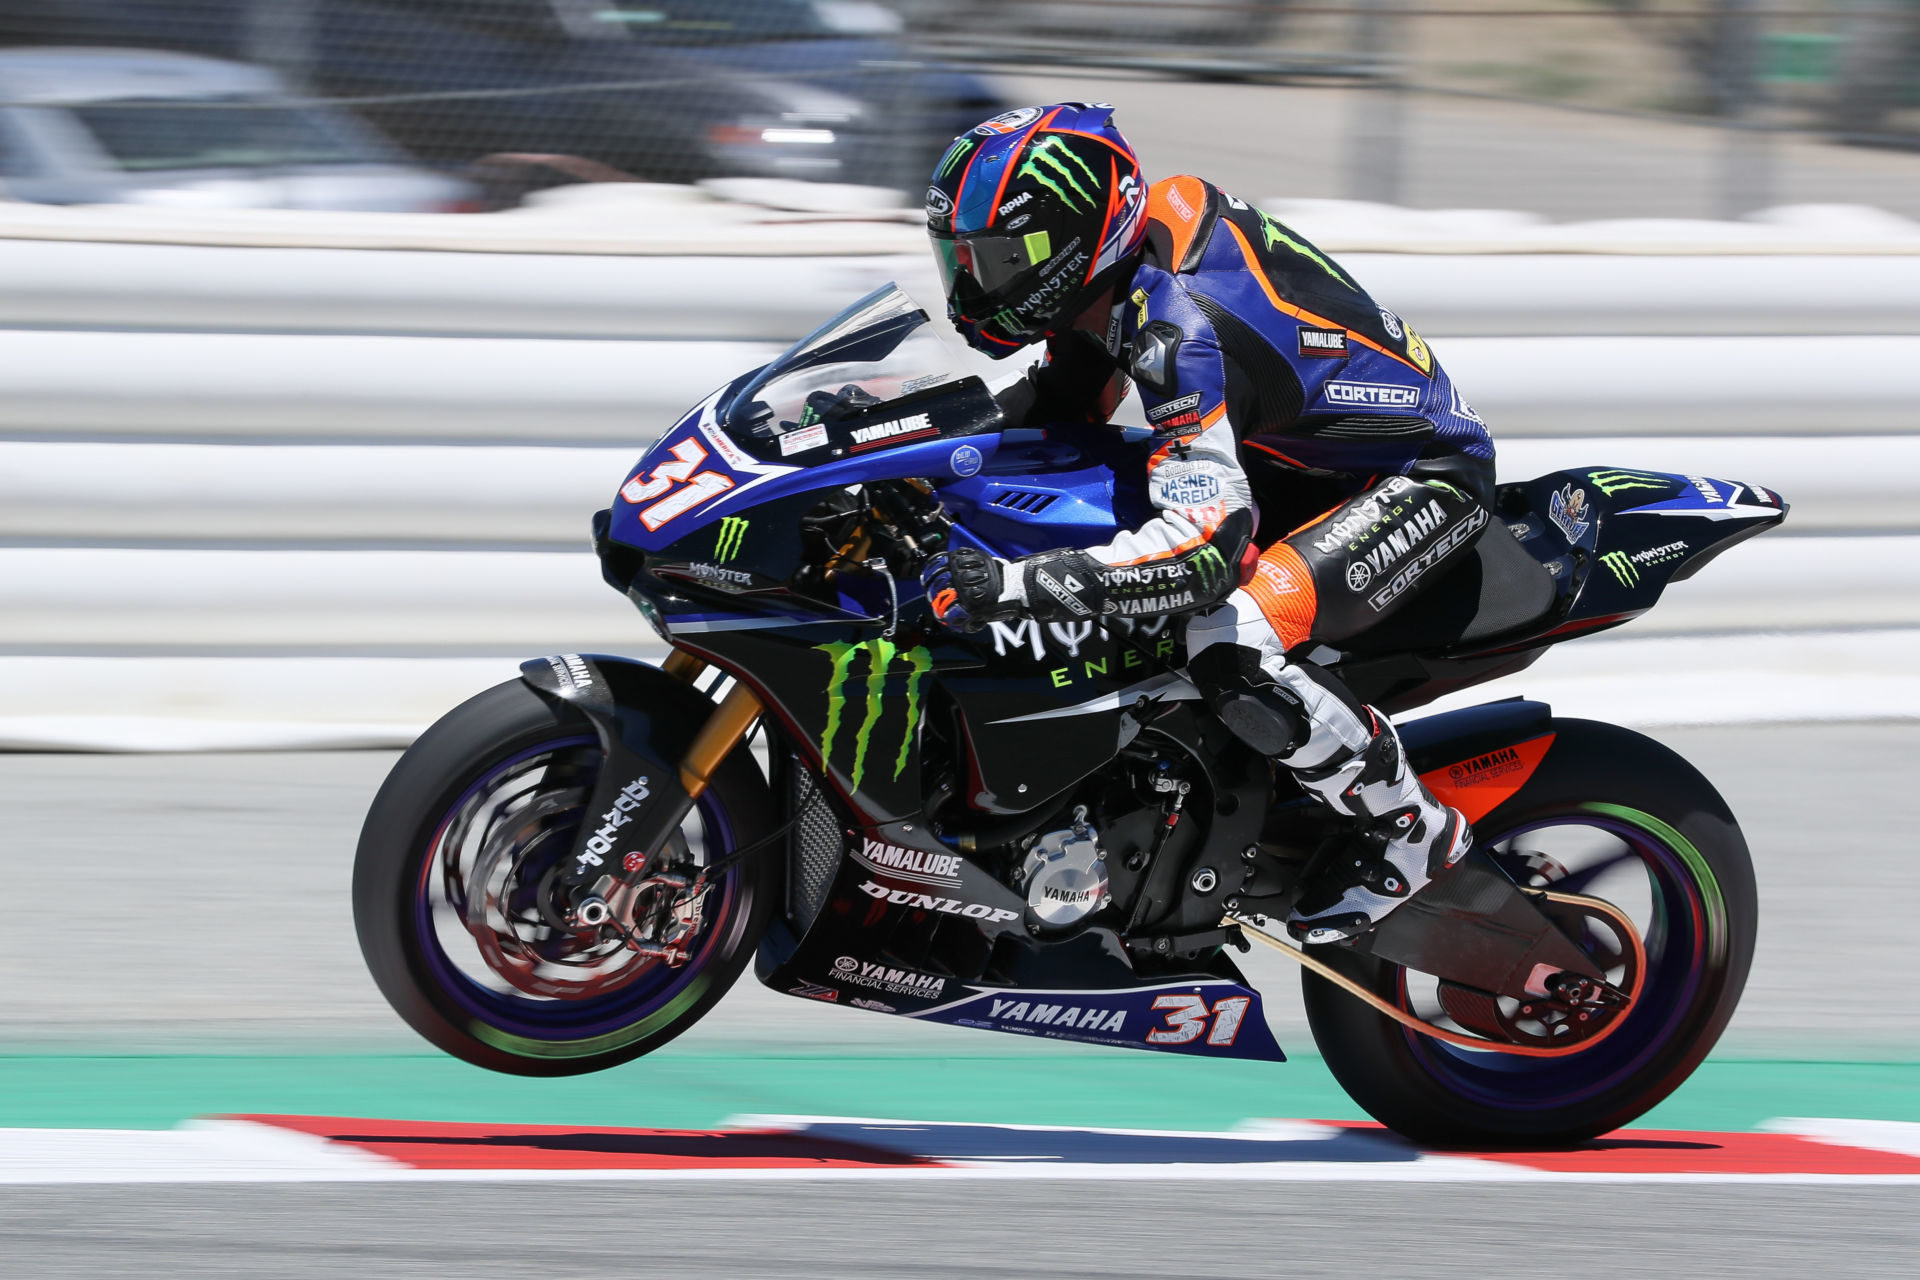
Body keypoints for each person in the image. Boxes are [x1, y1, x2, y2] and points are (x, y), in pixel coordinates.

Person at [921, 103, 1496, 945]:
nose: (976, 284)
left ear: (1078, 241)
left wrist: (1022, 585)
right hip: (1296, 462)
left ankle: (1409, 831)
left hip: (1419, 479)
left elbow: (1204, 552)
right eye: (961, 259)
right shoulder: (1120, 266)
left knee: (1232, 641)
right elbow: (1056, 402)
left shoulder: (1178, 326)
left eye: (1002, 260)